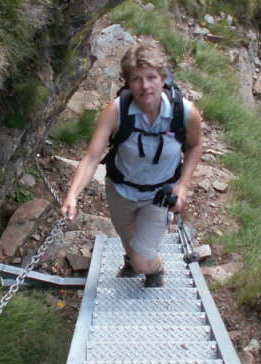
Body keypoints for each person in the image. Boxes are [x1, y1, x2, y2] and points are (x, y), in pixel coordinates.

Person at [61, 41, 203, 287]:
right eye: (137, 79)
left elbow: (195, 146)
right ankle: (133, 260)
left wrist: (183, 185)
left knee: (142, 261)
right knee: (131, 248)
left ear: (163, 78)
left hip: (159, 195)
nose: (145, 86)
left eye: (151, 77)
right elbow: (92, 157)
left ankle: (154, 269)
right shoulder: (116, 112)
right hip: (121, 192)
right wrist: (72, 195)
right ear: (128, 82)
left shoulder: (185, 113)